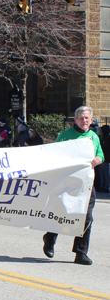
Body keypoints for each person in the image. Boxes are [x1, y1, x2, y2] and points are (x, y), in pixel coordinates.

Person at [42, 106, 103, 265]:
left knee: (86, 218)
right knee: (63, 213)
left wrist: (98, 158)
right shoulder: (65, 136)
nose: (84, 121)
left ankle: (80, 253)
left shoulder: (93, 137)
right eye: (81, 118)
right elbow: (55, 155)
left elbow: (101, 154)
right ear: (75, 120)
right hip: (67, 183)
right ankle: (50, 237)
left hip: (87, 185)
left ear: (91, 120)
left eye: (87, 118)